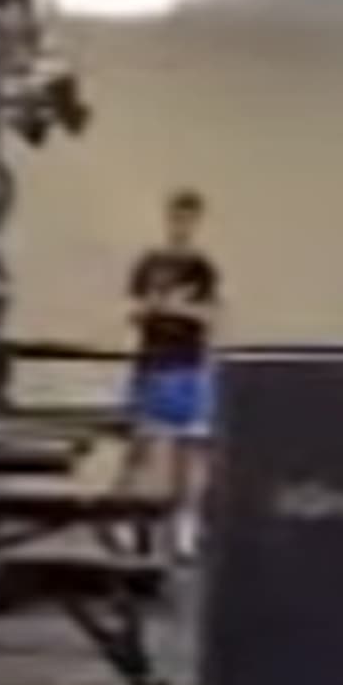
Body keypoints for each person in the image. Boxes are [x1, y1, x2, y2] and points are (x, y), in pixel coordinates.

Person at [121, 189, 220, 519]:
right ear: (168, 219)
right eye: (177, 218)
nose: (182, 225)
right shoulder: (149, 263)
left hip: (188, 365)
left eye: (189, 219)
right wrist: (157, 306)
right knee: (141, 442)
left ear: (197, 222)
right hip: (152, 363)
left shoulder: (202, 268)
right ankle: (127, 511)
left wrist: (176, 307)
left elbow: (210, 316)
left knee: (188, 447)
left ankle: (184, 517)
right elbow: (133, 311)